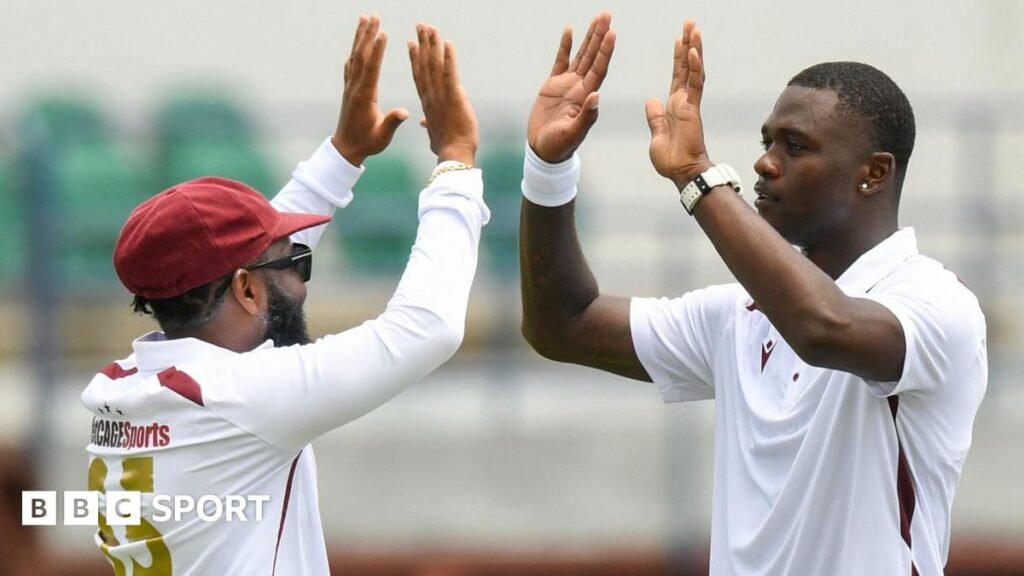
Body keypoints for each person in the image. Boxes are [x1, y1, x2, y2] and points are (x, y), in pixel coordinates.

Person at [519, 12, 986, 575]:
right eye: (767, 142)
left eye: (795, 146)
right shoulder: (739, 314)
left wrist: (697, 175)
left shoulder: (937, 302)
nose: (765, 162)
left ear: (874, 173)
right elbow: (561, 324)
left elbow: (823, 328)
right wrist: (548, 168)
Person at [81, 16, 487, 575]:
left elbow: (239, 259)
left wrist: (343, 155)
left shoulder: (121, 386)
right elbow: (428, 328)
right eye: (297, 260)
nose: (302, 274)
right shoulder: (239, 398)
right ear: (245, 290)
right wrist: (456, 164)